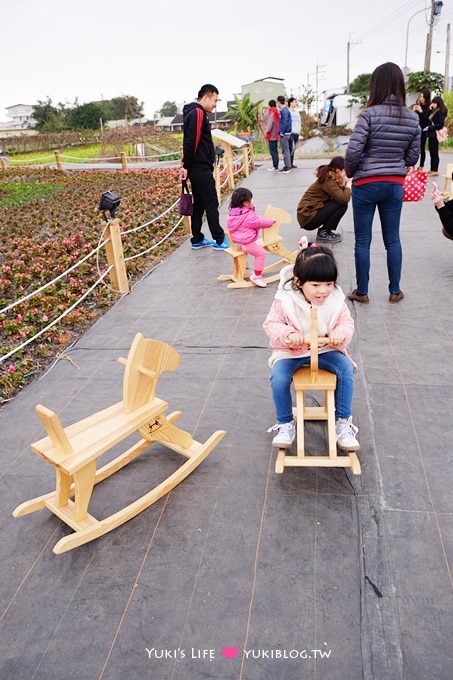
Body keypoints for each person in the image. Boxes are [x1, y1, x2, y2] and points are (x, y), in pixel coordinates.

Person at [263, 241, 359, 450]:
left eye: (329, 284)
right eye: (316, 285)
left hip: (324, 349)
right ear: (298, 282)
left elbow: (346, 322)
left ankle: (343, 422)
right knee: (279, 378)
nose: (323, 291)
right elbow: (271, 324)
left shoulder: (336, 301)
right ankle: (285, 423)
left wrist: (340, 334)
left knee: (346, 370)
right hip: (291, 352)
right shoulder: (285, 300)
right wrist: (288, 333)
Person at [344, 62, 420, 304]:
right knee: (393, 239)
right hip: (394, 184)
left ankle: (362, 292)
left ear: (375, 85)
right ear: (400, 85)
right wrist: (395, 161)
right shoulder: (412, 118)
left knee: (363, 240)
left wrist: (350, 171)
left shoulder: (368, 115)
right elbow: (412, 157)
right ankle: (395, 291)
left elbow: (354, 151)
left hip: (366, 184)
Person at [180, 84, 229, 250]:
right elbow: (191, 141)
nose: (215, 104)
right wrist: (185, 165)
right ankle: (220, 239)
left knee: (200, 203)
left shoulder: (195, 113)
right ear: (206, 97)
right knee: (211, 201)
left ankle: (197, 238)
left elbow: (194, 141)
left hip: (198, 166)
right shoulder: (198, 113)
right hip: (198, 167)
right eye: (215, 100)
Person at [227, 187, 276, 287]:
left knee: (256, 249)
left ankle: (242, 271)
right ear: (246, 203)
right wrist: (271, 221)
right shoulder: (248, 215)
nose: (253, 200)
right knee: (260, 254)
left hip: (236, 242)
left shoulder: (233, 213)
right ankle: (257, 276)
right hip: (246, 243)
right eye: (251, 198)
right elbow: (259, 222)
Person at [296, 156, 351, 244]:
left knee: (338, 203)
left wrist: (345, 184)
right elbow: (343, 199)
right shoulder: (328, 180)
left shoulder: (332, 177)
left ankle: (326, 231)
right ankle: (324, 233)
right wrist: (349, 184)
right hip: (308, 216)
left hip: (311, 212)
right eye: (345, 170)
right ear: (337, 170)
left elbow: (340, 193)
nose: (346, 173)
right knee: (341, 204)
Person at [424, 95, 448, 177]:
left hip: (435, 134)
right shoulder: (434, 111)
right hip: (431, 134)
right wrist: (430, 110)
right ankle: (432, 169)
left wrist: (430, 127)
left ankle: (435, 170)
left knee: (434, 152)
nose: (432, 104)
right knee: (432, 152)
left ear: (438, 103)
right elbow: (427, 118)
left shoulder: (440, 112)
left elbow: (440, 124)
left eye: (434, 103)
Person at [412, 88, 431, 171]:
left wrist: (421, 111)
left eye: (423, 97)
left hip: (423, 130)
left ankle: (421, 166)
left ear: (426, 97)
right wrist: (414, 111)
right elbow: (414, 118)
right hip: (415, 129)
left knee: (422, 148)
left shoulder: (429, 107)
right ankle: (411, 166)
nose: (421, 98)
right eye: (420, 96)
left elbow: (426, 121)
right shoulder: (418, 105)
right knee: (413, 147)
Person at [276, 95, 292, 173]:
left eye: (277, 102)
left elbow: (284, 122)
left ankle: (287, 166)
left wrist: (281, 132)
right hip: (286, 132)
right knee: (286, 150)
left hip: (285, 133)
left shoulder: (284, 110)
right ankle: (287, 165)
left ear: (279, 102)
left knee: (285, 150)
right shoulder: (284, 110)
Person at [265, 99, 280, 171]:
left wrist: (267, 131)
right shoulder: (277, 112)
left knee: (273, 151)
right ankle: (276, 165)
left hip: (271, 136)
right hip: (276, 134)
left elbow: (270, 125)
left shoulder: (271, 113)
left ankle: (275, 166)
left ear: (269, 105)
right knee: (275, 151)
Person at [288, 97, 301, 168]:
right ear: (291, 103)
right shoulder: (288, 111)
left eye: (296, 102)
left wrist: (299, 132)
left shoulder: (297, 112)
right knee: (291, 148)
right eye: (294, 102)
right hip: (290, 133)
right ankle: (288, 163)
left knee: (293, 148)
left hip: (296, 133)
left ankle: (291, 163)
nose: (296, 103)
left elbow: (299, 122)